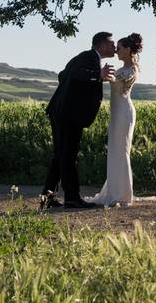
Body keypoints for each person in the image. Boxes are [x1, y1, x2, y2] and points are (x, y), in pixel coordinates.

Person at [40, 31, 115, 209]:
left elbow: (63, 75)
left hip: (64, 113)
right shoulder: (88, 57)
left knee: (60, 156)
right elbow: (75, 74)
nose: (114, 47)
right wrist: (98, 75)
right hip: (68, 114)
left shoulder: (88, 59)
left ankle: (47, 198)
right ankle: (72, 198)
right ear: (102, 45)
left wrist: (96, 76)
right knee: (68, 156)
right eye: (112, 44)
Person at [86, 32, 155, 207]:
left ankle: (123, 194)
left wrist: (98, 73)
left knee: (122, 151)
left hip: (124, 112)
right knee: (116, 150)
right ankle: (116, 189)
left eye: (119, 47)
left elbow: (111, 79)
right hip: (117, 112)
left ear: (128, 50)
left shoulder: (130, 70)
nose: (116, 50)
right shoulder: (123, 69)